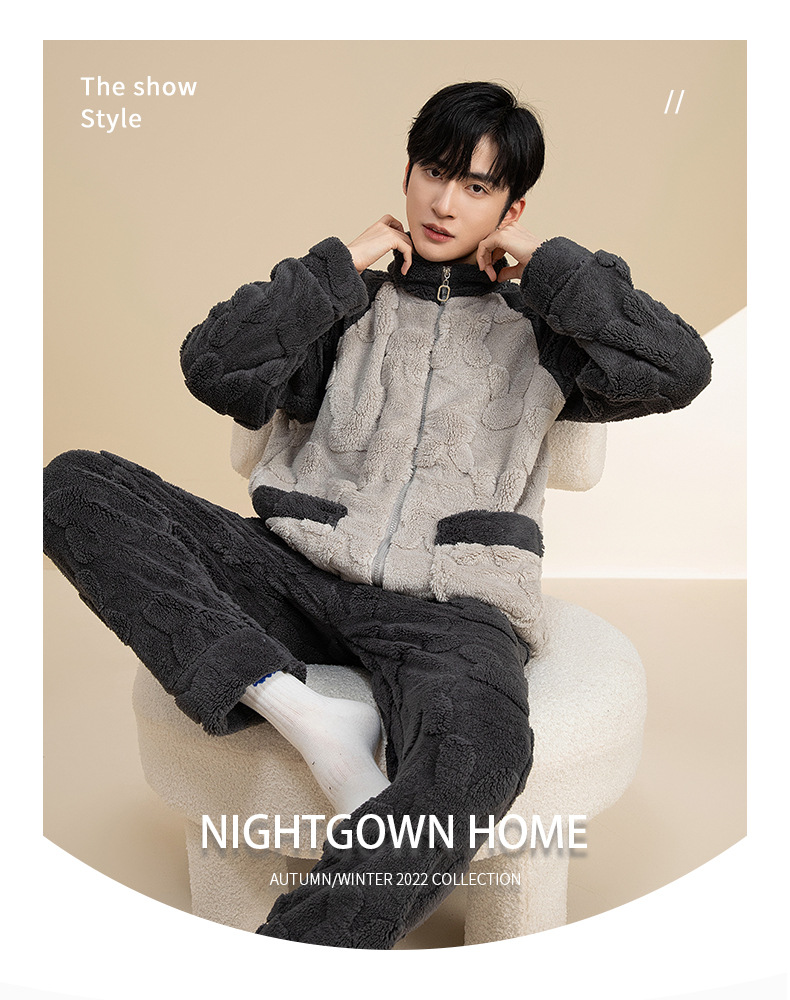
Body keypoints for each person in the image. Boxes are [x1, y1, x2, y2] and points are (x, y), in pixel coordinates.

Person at [43, 81, 713, 949]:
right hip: (293, 567)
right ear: (407, 171)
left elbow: (679, 367)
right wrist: (339, 266)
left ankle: (299, 955)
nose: (444, 203)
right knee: (72, 484)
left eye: (476, 186)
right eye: (434, 172)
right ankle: (301, 711)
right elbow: (213, 365)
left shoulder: (548, 319)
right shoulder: (345, 297)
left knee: (481, 754)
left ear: (511, 207)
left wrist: (548, 265)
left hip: (451, 606)